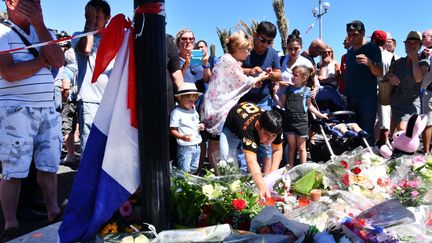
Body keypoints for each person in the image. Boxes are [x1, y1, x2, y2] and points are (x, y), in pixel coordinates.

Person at [0, 0, 64, 241]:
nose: (35, 3)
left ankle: (53, 212)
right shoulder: (2, 33)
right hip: (15, 110)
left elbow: (57, 61)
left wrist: (40, 24)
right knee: (12, 170)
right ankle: (10, 224)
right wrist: (40, 62)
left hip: (46, 108)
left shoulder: (42, 31)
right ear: (11, 2)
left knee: (48, 164)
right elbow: (9, 73)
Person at [200, 30, 269, 172]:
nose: (249, 53)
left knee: (215, 141)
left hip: (215, 104)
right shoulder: (229, 61)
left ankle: (220, 172)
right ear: (238, 49)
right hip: (218, 107)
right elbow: (242, 81)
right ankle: (221, 173)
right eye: (247, 50)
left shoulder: (227, 59)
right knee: (217, 142)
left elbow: (236, 82)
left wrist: (253, 80)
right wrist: (260, 77)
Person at [240, 21, 282, 173]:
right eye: (263, 40)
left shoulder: (273, 53)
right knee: (245, 140)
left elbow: (279, 75)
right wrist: (250, 72)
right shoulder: (245, 49)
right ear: (255, 36)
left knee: (267, 141)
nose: (265, 44)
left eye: (269, 42)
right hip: (244, 101)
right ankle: (245, 175)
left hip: (264, 101)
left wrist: (270, 75)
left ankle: (267, 177)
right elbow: (234, 69)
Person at [220, 102, 283, 198]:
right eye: (266, 134)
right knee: (226, 161)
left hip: (250, 119)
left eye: (273, 136)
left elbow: (277, 150)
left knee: (267, 150)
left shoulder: (275, 127)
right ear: (258, 126)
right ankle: (227, 192)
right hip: (232, 126)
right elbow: (251, 161)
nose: (269, 139)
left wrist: (272, 177)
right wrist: (263, 189)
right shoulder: (250, 130)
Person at [72, 0, 112, 152]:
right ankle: (88, 176)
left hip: (112, 99)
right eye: (90, 16)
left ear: (108, 17)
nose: (94, 20)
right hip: (89, 99)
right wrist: (89, 22)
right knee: (90, 146)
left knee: (109, 147)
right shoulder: (78, 36)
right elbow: (86, 50)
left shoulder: (115, 39)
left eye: (97, 16)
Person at [276, 65, 328, 167]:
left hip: (301, 122)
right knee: (292, 146)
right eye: (292, 75)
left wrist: (320, 115)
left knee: (302, 147)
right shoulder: (288, 89)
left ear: (304, 78)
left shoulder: (307, 90)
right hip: (289, 120)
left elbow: (310, 106)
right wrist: (275, 93)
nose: (292, 77)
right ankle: (290, 166)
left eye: (295, 75)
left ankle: (303, 168)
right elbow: (282, 104)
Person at [344, 20, 383, 145]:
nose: (351, 38)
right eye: (349, 35)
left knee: (367, 130)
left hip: (367, 97)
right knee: (354, 130)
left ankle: (369, 158)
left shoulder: (372, 48)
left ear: (363, 33)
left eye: (354, 35)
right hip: (351, 96)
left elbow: (380, 72)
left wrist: (370, 63)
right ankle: (356, 159)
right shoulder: (349, 52)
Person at [384, 31, 428, 134]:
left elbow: (418, 78)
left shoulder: (424, 62)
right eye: (409, 43)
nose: (411, 45)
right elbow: (385, 76)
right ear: (405, 45)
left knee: (403, 130)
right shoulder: (398, 62)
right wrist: (390, 75)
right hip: (394, 102)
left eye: (415, 43)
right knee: (394, 135)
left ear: (420, 46)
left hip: (410, 104)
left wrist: (414, 60)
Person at [170, 83, 205, 173]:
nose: (192, 103)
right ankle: (181, 186)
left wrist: (201, 126)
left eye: (194, 100)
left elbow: (196, 124)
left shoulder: (193, 111)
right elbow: (172, 129)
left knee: (194, 167)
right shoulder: (177, 112)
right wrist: (182, 137)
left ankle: (189, 185)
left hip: (196, 145)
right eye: (189, 100)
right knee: (184, 170)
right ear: (180, 98)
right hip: (185, 146)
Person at [56, 48, 79, 165]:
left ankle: (70, 155)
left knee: (68, 128)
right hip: (83, 100)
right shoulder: (84, 67)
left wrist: (64, 100)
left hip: (71, 102)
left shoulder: (66, 70)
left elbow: (65, 87)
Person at [371, 30, 394, 148]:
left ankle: (375, 143)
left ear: (373, 41)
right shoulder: (391, 56)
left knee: (372, 118)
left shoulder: (370, 54)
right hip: (386, 87)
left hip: (371, 88)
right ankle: (384, 143)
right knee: (384, 118)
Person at [422, 29, 432, 154]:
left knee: (428, 120)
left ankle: (426, 151)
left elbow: (430, 74)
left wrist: (422, 86)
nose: (422, 38)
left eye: (425, 36)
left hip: (429, 90)